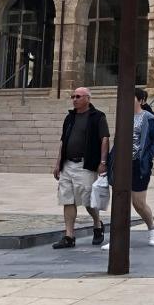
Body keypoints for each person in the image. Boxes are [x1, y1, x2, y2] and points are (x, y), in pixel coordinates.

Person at [103, 87, 154, 250]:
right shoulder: (124, 117)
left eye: (132, 98)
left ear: (141, 101)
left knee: (138, 203)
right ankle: (117, 237)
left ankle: (152, 228)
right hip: (121, 164)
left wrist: (147, 156)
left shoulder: (148, 118)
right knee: (120, 201)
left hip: (139, 164)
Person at [52, 86, 110, 249]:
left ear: (87, 98)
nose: (74, 99)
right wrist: (58, 163)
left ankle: (97, 225)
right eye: (73, 97)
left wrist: (103, 162)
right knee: (67, 199)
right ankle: (69, 236)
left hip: (85, 164)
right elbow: (63, 142)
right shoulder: (69, 118)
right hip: (67, 164)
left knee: (88, 200)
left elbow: (104, 139)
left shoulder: (97, 116)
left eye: (78, 96)